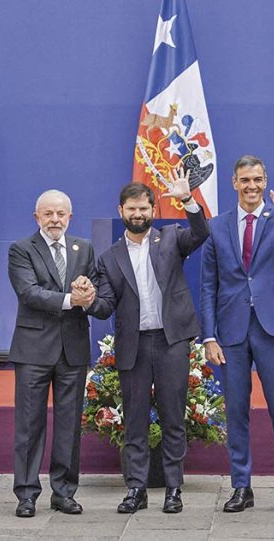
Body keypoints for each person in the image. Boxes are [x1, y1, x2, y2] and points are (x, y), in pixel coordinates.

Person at [95, 167, 210, 514]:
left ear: (153, 209)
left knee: (173, 417)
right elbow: (104, 306)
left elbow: (201, 232)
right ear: (121, 211)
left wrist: (187, 198)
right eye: (131, 208)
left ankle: (174, 488)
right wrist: (87, 301)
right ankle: (136, 488)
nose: (137, 214)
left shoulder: (171, 238)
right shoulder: (108, 257)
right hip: (133, 346)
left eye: (143, 208)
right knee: (135, 420)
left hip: (171, 341)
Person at [199, 155, 274, 514]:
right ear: (234, 183)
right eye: (245, 180)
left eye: (258, 180)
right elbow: (208, 286)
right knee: (236, 412)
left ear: (265, 182)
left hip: (272, 328)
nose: (252, 186)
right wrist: (208, 336)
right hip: (231, 331)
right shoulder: (216, 226)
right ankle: (241, 487)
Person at [7, 189, 107, 518]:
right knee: (29, 425)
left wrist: (89, 293)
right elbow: (29, 293)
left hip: (72, 350)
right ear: (36, 217)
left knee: (69, 426)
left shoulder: (83, 247)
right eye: (48, 213)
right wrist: (70, 300)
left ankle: (64, 492)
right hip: (33, 350)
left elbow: (93, 287)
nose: (54, 220)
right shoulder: (21, 249)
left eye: (60, 214)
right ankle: (26, 494)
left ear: (70, 217)